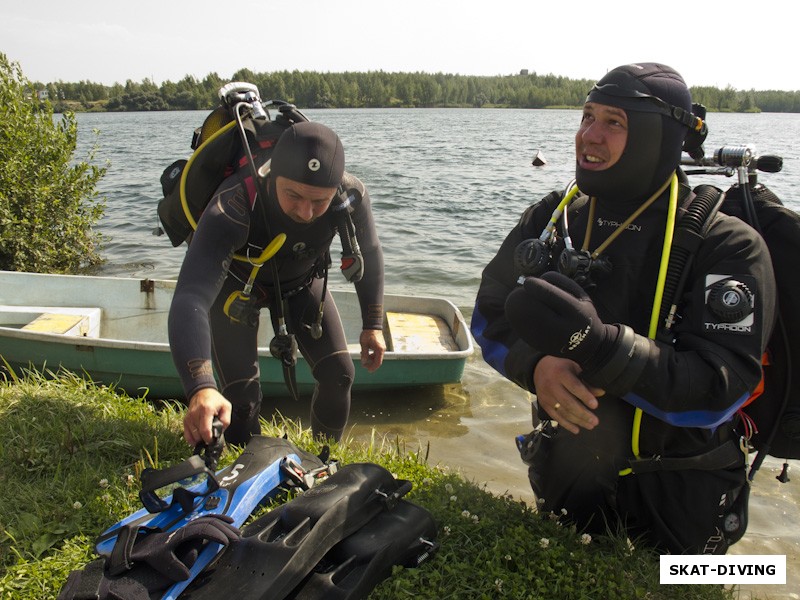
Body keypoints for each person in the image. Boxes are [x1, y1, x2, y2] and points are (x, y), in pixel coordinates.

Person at [471, 63, 776, 554]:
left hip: (680, 493)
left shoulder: (725, 244)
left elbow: (722, 389)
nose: (589, 135)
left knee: (709, 584)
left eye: (614, 122)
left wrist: (600, 348)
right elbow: (488, 315)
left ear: (659, 137)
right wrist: (537, 366)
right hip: (566, 472)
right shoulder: (552, 219)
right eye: (587, 116)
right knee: (567, 575)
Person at [169, 120, 385, 447]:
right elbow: (191, 296)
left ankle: (322, 460)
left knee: (339, 376)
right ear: (272, 178)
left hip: (302, 283)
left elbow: (368, 251)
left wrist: (373, 324)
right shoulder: (233, 205)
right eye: (293, 195)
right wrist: (201, 387)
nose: (306, 211)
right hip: (236, 290)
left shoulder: (350, 195)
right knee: (242, 401)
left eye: (319, 201)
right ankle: (244, 469)